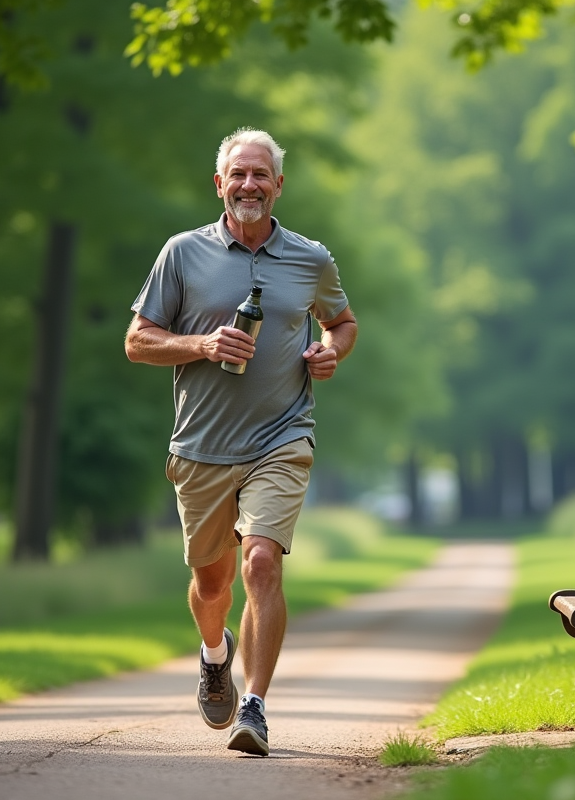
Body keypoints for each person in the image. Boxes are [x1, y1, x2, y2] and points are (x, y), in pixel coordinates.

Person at [124, 128, 357, 756]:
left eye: (262, 175)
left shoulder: (311, 258)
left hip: (282, 435)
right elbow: (137, 340)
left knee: (260, 562)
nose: (249, 185)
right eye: (239, 174)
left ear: (279, 186)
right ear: (219, 183)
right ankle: (213, 652)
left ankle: (254, 706)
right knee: (212, 584)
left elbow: (342, 322)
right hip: (200, 445)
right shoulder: (182, 253)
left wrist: (329, 351)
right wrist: (201, 344)